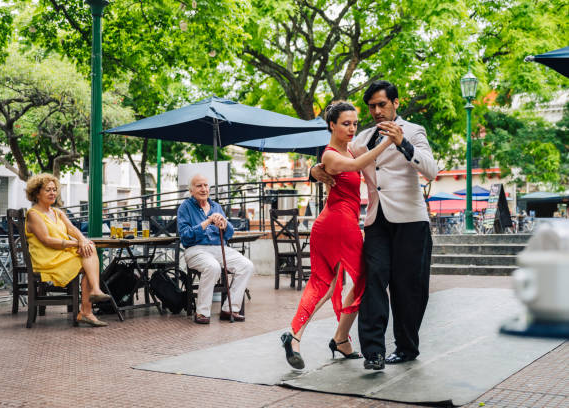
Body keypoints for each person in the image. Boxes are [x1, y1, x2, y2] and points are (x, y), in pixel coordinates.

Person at [311, 81, 438, 370]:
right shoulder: (361, 139)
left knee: (409, 288)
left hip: (411, 220)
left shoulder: (414, 132)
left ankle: (406, 347)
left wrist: (402, 144)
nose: (377, 111)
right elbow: (336, 157)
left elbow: (431, 171)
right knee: (373, 281)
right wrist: (313, 170)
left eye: (382, 104)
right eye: (372, 106)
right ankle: (374, 352)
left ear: (395, 102)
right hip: (376, 221)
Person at [281, 101, 399, 369]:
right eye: (346, 123)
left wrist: (312, 172)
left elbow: (349, 161)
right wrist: (387, 143)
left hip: (331, 224)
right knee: (361, 281)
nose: (352, 128)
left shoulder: (343, 150)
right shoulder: (332, 154)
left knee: (323, 284)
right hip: (340, 225)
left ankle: (296, 336)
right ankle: (340, 337)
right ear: (331, 125)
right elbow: (356, 163)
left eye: (355, 123)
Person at [25, 173, 111, 327]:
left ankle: (90, 302)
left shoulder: (57, 212)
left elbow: (72, 229)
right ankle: (87, 309)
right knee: (88, 258)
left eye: (54, 189)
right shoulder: (33, 214)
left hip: (61, 254)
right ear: (37, 193)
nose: (53, 193)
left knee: (89, 249)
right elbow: (47, 240)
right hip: (47, 259)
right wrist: (77, 244)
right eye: (47, 190)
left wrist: (83, 240)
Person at [177, 174, 254, 324]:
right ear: (191, 190)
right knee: (213, 267)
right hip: (195, 249)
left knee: (246, 266)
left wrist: (224, 224)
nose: (204, 189)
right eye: (199, 186)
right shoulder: (185, 207)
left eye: (206, 185)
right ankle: (202, 312)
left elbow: (229, 234)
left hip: (218, 248)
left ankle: (229, 309)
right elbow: (185, 236)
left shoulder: (216, 206)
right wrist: (207, 222)